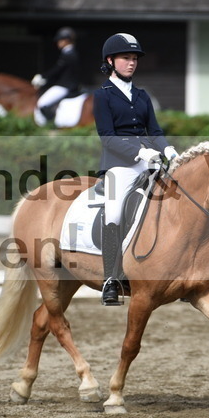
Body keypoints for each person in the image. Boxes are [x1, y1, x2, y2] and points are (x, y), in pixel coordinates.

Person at [93, 32, 177, 306]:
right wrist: (139, 151)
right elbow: (107, 136)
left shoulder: (142, 96)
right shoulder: (102, 95)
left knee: (176, 201)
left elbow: (154, 130)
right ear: (111, 60)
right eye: (125, 58)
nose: (131, 63)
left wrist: (168, 149)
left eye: (134, 59)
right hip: (119, 165)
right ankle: (110, 279)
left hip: (150, 160)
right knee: (115, 212)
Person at [32, 27, 81, 124]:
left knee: (41, 104)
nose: (58, 42)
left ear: (66, 40)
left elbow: (57, 70)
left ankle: (47, 126)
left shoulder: (69, 54)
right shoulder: (69, 53)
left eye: (60, 40)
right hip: (66, 84)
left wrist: (43, 77)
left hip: (65, 86)